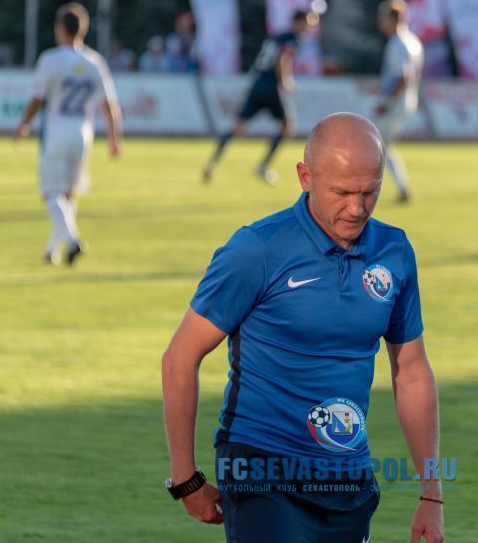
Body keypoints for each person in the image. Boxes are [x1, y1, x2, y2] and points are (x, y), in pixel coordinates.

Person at [163, 113, 444, 543]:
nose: (357, 208)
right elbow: (180, 357)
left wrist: (431, 493)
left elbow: (412, 372)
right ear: (305, 177)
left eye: (370, 191)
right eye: (342, 193)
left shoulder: (394, 251)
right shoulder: (256, 249)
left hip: (348, 477)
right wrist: (185, 478)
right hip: (261, 466)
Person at [14, 3, 122, 265]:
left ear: (61, 28)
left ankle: (73, 240)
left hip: (56, 133)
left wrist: (24, 125)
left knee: (51, 193)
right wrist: (114, 138)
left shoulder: (51, 59)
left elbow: (37, 98)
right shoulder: (94, 61)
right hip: (82, 134)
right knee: (67, 195)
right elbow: (109, 104)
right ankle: (51, 251)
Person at [203, 9, 317, 186]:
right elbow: (283, 58)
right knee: (287, 127)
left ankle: (212, 163)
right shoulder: (291, 38)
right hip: (271, 88)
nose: (310, 28)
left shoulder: (276, 37)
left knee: (238, 128)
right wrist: (286, 80)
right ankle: (263, 166)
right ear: (298, 21)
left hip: (257, 85)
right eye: (308, 23)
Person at [374, 0, 423, 203]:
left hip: (397, 101)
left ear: (393, 19)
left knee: (374, 145)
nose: (380, 22)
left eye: (384, 18)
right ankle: (402, 188)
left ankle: (366, 191)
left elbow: (404, 77)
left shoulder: (398, 43)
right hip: (406, 100)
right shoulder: (412, 40)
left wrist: (388, 101)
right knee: (383, 146)